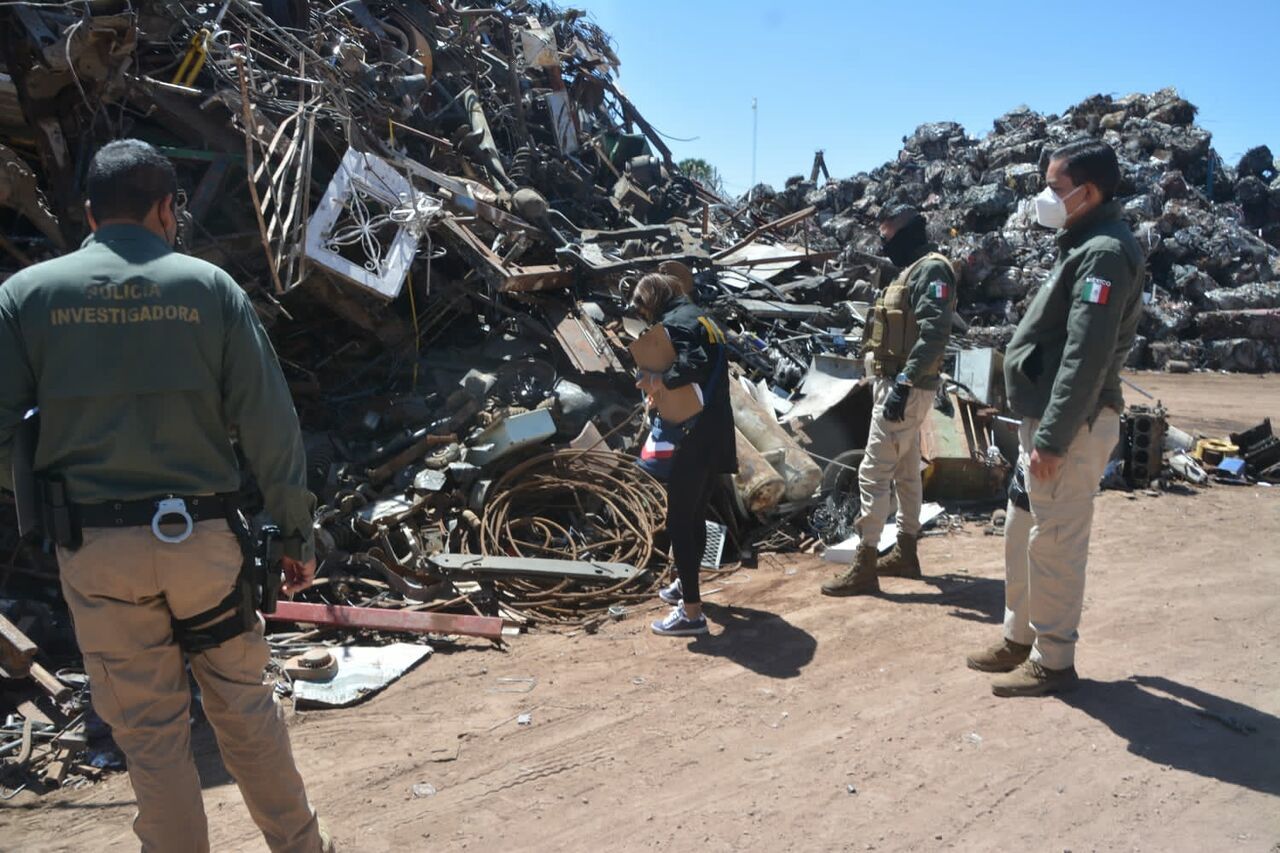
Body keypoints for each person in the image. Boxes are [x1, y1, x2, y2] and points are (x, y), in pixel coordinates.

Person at [0, 140, 332, 851]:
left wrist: (50, 499)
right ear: (164, 209)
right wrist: (295, 534)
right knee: (245, 710)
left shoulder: (25, 297)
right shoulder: (211, 289)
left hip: (97, 550)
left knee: (151, 737)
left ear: (91, 213)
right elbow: (271, 425)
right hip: (204, 546)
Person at [966, 139, 1144, 697]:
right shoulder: (1082, 243)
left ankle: (1054, 659)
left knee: (1056, 540)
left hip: (1068, 427)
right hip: (1043, 422)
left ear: (1087, 193)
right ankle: (1019, 637)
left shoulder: (1104, 254)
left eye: (1055, 187)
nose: (1045, 197)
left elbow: (1085, 356)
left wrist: (1054, 438)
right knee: (1022, 528)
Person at [822, 206, 958, 596]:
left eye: (889, 233)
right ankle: (906, 552)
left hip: (905, 386)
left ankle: (865, 562)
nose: (884, 242)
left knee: (873, 471)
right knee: (906, 470)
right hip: (898, 382)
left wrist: (903, 383)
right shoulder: (911, 271)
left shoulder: (932, 270)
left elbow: (935, 334)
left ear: (910, 230)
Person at [629, 272, 737, 637]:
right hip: (716, 429)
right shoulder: (702, 317)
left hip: (691, 435)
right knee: (695, 514)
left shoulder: (676, 323)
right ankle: (685, 586)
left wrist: (658, 381)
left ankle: (692, 614)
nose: (644, 317)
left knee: (679, 521)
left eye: (642, 310)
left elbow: (692, 363)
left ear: (652, 301)